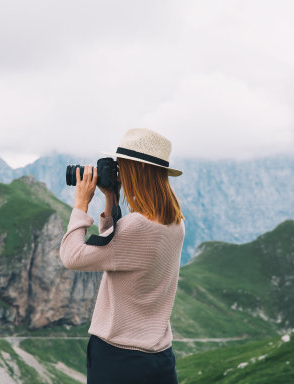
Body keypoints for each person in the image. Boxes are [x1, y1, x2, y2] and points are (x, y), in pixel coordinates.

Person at [59, 128, 185, 384]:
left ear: (135, 171)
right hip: (159, 357)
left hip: (119, 356)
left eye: (122, 166)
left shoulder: (138, 226)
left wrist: (81, 204)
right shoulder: (175, 222)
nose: (119, 172)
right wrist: (111, 198)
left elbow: (71, 256)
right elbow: (118, 249)